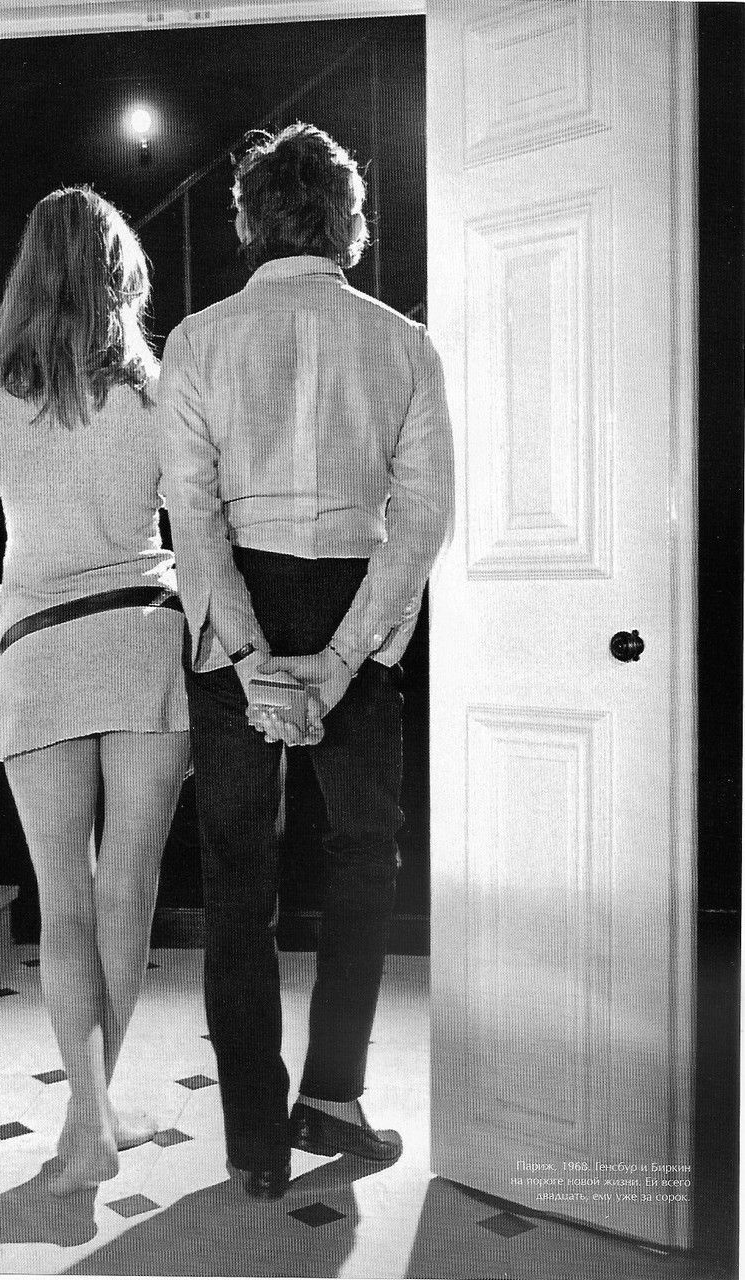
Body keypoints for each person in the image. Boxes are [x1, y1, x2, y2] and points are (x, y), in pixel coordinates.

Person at [159, 124, 454, 1199]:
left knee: (236, 872)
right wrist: (334, 663)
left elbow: (192, 519)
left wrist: (249, 662)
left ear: (248, 219)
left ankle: (253, 1139)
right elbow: (420, 521)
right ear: (349, 222)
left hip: (232, 607)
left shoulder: (196, 339)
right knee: (363, 858)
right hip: (354, 614)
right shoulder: (404, 343)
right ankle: (334, 1100)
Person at [0, 187, 190, 1196]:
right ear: (123, 274)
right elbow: (200, 527)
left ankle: (88, 1114)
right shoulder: (158, 389)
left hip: (39, 648)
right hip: (143, 637)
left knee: (63, 900)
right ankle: (93, 1114)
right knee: (127, 892)